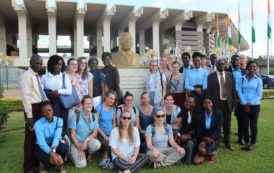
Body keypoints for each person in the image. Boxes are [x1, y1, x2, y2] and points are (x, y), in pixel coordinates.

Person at [20, 54, 46, 173]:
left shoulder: (37, 75)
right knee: (30, 138)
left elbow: (40, 92)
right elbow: (26, 97)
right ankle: (28, 167)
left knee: (38, 136)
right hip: (32, 109)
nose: (39, 65)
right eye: (36, 63)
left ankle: (35, 161)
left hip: (39, 107)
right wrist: (29, 116)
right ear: (30, 62)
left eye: (40, 64)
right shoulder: (26, 76)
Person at [207, 59, 236, 150]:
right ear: (216, 65)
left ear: (225, 65)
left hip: (227, 103)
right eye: (219, 64)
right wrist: (210, 104)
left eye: (223, 64)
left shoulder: (230, 75)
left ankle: (228, 142)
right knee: (216, 124)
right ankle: (216, 142)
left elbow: (233, 91)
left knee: (227, 124)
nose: (221, 65)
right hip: (216, 104)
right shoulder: (211, 76)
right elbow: (209, 92)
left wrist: (234, 104)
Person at [34, 101, 68, 173]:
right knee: (47, 161)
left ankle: (60, 166)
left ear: (53, 110)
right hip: (42, 146)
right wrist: (52, 153)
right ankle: (42, 165)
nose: (49, 113)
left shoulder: (59, 120)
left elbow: (57, 136)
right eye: (45, 112)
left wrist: (53, 152)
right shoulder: (37, 124)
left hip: (54, 144)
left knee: (64, 148)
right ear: (42, 113)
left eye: (50, 110)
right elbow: (41, 142)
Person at [68, 96, 101, 168]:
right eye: (87, 103)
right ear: (82, 105)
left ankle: (88, 153)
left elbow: (95, 133)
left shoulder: (94, 116)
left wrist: (86, 140)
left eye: (91, 103)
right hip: (76, 142)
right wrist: (79, 149)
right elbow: (72, 135)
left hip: (87, 141)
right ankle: (71, 153)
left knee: (97, 144)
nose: (89, 105)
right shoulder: (76, 116)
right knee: (81, 165)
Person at [42, 54, 72, 130]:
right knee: (50, 122)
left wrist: (58, 91)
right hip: (49, 102)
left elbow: (69, 91)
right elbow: (41, 90)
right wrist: (46, 97)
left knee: (61, 122)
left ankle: (62, 139)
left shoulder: (64, 76)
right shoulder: (45, 77)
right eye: (56, 64)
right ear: (51, 64)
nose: (58, 66)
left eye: (60, 64)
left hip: (61, 103)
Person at [238, 61, 263, 151]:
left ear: (257, 68)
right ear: (247, 67)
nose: (252, 68)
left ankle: (252, 143)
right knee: (245, 124)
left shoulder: (259, 80)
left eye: (254, 66)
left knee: (253, 125)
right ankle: (246, 143)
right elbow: (240, 92)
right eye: (250, 66)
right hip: (243, 105)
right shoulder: (241, 78)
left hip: (255, 105)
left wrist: (250, 103)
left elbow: (259, 94)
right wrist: (244, 103)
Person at [193, 97, 223, 165]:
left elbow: (218, 131)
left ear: (212, 104)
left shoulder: (218, 114)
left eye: (209, 102)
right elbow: (198, 131)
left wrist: (208, 139)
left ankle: (210, 153)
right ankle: (211, 154)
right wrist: (203, 139)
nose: (207, 104)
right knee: (196, 161)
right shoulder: (200, 115)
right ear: (203, 105)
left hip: (214, 139)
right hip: (202, 138)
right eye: (205, 103)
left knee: (202, 150)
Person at [226, 54, 247, 145]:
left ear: (239, 61)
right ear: (231, 61)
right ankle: (227, 138)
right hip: (228, 97)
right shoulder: (226, 71)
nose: (235, 61)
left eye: (237, 60)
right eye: (233, 60)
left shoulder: (244, 71)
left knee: (241, 118)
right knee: (227, 118)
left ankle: (240, 138)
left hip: (240, 97)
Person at [95, 90, 117, 159]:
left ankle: (107, 153)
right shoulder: (99, 108)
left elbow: (114, 123)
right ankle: (105, 153)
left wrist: (114, 134)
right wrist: (104, 136)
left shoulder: (113, 109)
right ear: (106, 97)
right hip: (101, 134)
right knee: (109, 145)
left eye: (114, 99)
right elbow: (95, 124)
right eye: (110, 98)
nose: (112, 101)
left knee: (116, 144)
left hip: (110, 134)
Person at [66, 58, 83, 127]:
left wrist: (81, 103)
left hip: (78, 104)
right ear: (68, 65)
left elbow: (81, 91)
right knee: (69, 124)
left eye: (76, 64)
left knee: (78, 124)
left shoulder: (78, 76)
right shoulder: (64, 76)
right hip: (68, 105)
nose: (74, 66)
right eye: (72, 64)